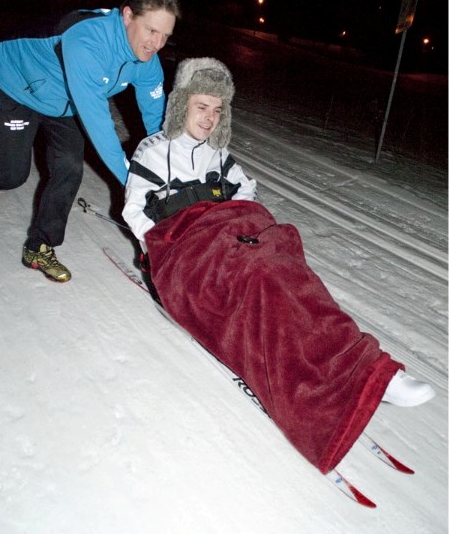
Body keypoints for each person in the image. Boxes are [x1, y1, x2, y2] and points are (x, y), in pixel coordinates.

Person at [122, 57, 435, 474]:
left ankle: (355, 367)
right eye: (201, 107)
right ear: (181, 105)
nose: (210, 119)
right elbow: (134, 211)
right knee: (262, 276)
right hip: (187, 257)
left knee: (282, 271)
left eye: (218, 110)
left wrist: (238, 222)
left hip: (227, 242)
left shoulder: (220, 155)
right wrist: (163, 250)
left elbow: (247, 191)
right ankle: (364, 371)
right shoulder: (154, 151)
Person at [0, 0, 181, 282]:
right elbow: (100, 128)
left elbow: (156, 122)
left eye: (165, 35)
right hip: (15, 85)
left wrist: (168, 168)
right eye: (151, 30)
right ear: (127, 16)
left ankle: (39, 246)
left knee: (69, 165)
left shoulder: (147, 59)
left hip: (63, 100)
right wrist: (136, 183)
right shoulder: (87, 41)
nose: (157, 44)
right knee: (11, 175)